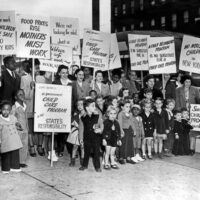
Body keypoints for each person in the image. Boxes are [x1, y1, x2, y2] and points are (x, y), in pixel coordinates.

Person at [20, 59, 40, 157]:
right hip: (29, 107)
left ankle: (38, 146)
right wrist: (32, 88)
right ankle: (31, 146)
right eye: (36, 68)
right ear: (31, 68)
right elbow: (24, 96)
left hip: (38, 107)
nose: (38, 70)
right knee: (29, 127)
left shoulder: (39, 78)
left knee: (35, 128)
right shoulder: (25, 78)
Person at [79, 99, 103, 172]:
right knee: (86, 152)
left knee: (96, 152)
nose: (94, 107)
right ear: (87, 108)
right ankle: (84, 165)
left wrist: (100, 130)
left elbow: (101, 125)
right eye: (92, 106)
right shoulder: (82, 117)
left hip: (96, 138)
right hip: (86, 138)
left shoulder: (97, 115)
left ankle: (97, 167)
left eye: (95, 105)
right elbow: (81, 129)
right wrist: (81, 139)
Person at [53, 65, 72, 158]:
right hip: (58, 110)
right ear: (59, 73)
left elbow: (74, 97)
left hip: (69, 110)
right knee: (60, 130)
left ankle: (66, 148)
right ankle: (59, 149)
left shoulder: (72, 83)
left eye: (66, 72)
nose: (65, 74)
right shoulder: (55, 83)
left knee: (67, 130)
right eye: (63, 72)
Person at [0, 101, 23, 174]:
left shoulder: (12, 117)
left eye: (8, 110)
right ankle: (6, 168)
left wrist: (18, 124)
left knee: (15, 154)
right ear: (0, 110)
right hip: (5, 140)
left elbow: (16, 122)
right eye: (4, 109)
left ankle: (15, 167)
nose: (6, 111)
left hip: (14, 139)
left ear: (10, 111)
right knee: (6, 155)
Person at [11, 89, 29, 168]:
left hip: (25, 130)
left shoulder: (25, 106)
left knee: (25, 145)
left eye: (23, 94)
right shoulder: (14, 107)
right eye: (20, 95)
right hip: (17, 131)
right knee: (17, 146)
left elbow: (26, 117)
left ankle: (22, 161)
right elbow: (11, 119)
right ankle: (15, 161)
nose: (22, 96)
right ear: (15, 97)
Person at [67, 99, 85, 166]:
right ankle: (73, 160)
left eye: (81, 104)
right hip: (76, 131)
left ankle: (83, 160)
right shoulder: (76, 113)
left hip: (83, 132)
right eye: (78, 105)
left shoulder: (86, 113)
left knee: (83, 146)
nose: (80, 106)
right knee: (75, 146)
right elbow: (72, 121)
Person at [118, 100, 136, 164]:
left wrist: (134, 130)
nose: (128, 108)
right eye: (126, 106)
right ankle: (121, 158)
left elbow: (132, 123)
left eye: (129, 107)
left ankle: (128, 157)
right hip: (123, 130)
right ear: (122, 107)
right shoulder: (120, 114)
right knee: (123, 144)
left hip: (129, 130)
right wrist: (121, 131)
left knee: (129, 144)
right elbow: (119, 123)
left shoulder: (130, 114)